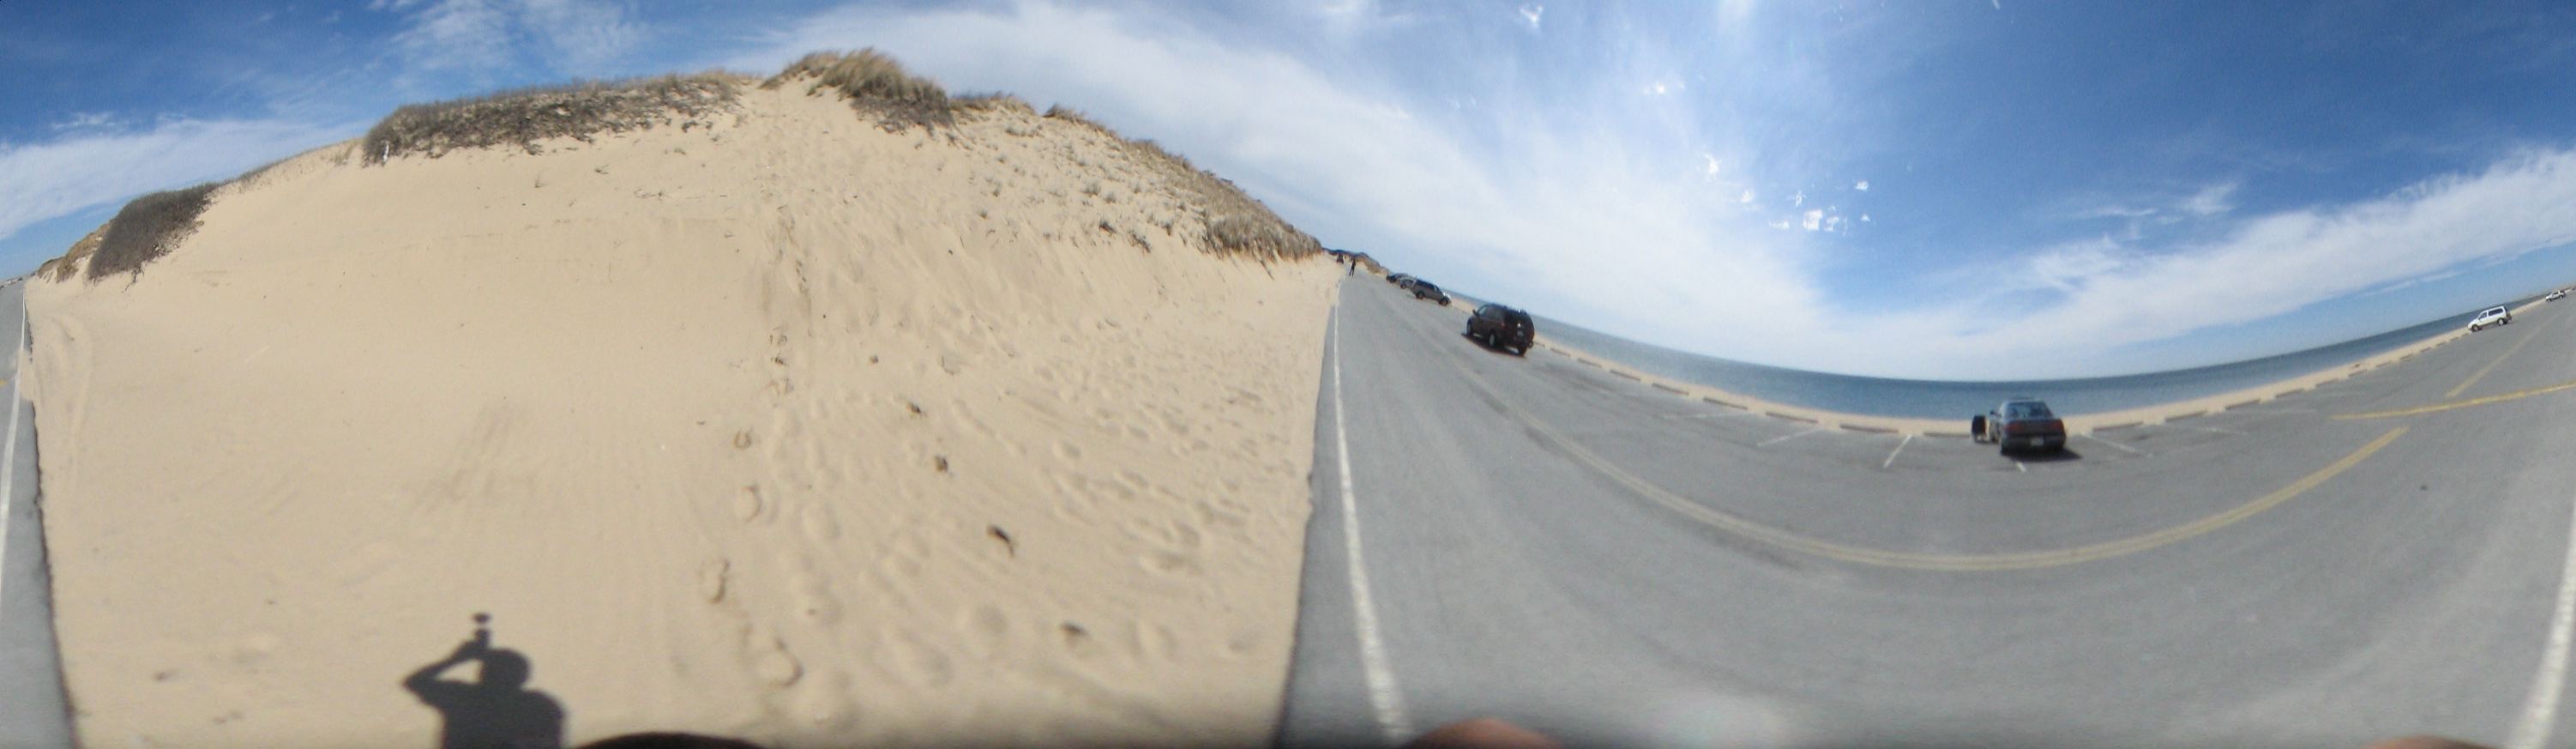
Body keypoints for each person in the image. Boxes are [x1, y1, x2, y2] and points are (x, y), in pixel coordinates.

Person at [405, 621, 565, 749]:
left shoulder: (463, 697)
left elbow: (416, 682)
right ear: (524, 677)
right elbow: (415, 682)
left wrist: (456, 659)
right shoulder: (540, 705)